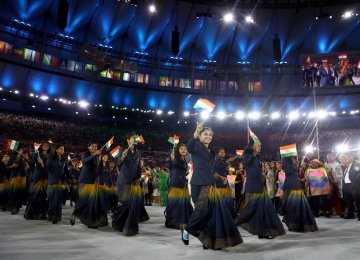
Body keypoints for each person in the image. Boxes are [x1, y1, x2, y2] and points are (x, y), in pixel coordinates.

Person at [185, 122, 242, 250]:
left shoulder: (211, 152)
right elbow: (188, 146)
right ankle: (187, 229)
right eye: (205, 134)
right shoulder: (196, 147)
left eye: (210, 135)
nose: (208, 136)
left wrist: (220, 177)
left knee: (213, 214)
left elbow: (210, 170)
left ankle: (209, 241)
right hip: (199, 183)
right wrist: (196, 131)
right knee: (202, 212)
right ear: (200, 136)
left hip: (211, 184)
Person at [234, 140, 286, 239]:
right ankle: (231, 226)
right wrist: (253, 154)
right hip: (253, 188)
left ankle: (263, 232)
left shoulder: (257, 157)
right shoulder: (247, 156)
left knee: (263, 211)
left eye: (260, 145)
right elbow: (247, 163)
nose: (260, 146)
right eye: (258, 144)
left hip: (260, 188)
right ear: (252, 146)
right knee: (248, 212)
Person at [112, 133, 149, 236]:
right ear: (128, 140)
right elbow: (118, 164)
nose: (135, 139)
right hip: (124, 181)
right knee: (125, 204)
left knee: (133, 205)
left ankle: (130, 227)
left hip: (135, 182)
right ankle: (120, 223)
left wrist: (138, 178)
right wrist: (122, 157)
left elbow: (138, 167)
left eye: (136, 138)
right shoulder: (122, 150)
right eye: (134, 138)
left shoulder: (138, 152)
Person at [70, 142, 108, 228]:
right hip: (85, 181)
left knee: (92, 203)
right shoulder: (85, 154)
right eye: (92, 146)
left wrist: (102, 163)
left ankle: (91, 222)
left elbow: (98, 171)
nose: (94, 147)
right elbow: (84, 161)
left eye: (95, 146)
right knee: (83, 201)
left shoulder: (97, 158)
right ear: (88, 147)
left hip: (93, 182)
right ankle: (74, 214)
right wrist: (94, 154)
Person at [281, 156, 318, 232]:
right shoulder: (285, 160)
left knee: (298, 206)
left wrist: (297, 165)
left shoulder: (293, 161)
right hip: (290, 186)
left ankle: (297, 224)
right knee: (292, 206)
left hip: (296, 185)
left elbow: (294, 172)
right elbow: (288, 171)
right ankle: (293, 225)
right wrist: (296, 165)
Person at [164, 143, 193, 230]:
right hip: (176, 185)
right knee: (175, 204)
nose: (183, 150)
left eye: (185, 149)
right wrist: (172, 159)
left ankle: (183, 221)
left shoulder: (184, 160)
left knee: (184, 204)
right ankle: (173, 222)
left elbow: (183, 170)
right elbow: (171, 167)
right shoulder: (175, 159)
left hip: (183, 184)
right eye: (181, 149)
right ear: (178, 150)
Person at [24, 142, 50, 220]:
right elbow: (32, 165)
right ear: (41, 146)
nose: (45, 146)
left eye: (47, 145)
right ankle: (29, 213)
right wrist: (27, 159)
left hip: (46, 178)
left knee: (44, 197)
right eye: (44, 145)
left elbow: (50, 168)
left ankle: (43, 214)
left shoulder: (51, 156)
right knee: (34, 196)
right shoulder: (37, 154)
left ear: (49, 147)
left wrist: (42, 164)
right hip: (37, 177)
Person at [46, 144, 66, 224]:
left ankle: (56, 217)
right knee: (53, 200)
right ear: (57, 150)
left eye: (63, 149)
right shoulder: (51, 157)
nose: (62, 150)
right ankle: (52, 216)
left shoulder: (63, 159)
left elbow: (65, 170)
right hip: (52, 181)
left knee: (58, 201)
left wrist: (71, 177)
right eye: (61, 149)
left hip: (60, 182)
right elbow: (47, 167)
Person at [213, 148, 234, 215]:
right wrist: (227, 161)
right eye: (221, 152)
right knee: (219, 201)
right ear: (218, 153)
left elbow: (227, 173)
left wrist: (230, 183)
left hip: (225, 183)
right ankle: (219, 214)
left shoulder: (223, 162)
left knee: (226, 200)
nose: (222, 153)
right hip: (219, 183)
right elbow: (219, 168)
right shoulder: (217, 161)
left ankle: (224, 213)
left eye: (223, 152)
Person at [8, 148, 27, 215]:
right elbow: (8, 166)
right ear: (16, 150)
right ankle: (13, 207)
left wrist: (26, 162)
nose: (21, 151)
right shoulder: (12, 157)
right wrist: (12, 165)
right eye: (19, 150)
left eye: (22, 150)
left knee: (19, 193)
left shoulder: (23, 157)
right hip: (14, 177)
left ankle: (17, 207)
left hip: (22, 177)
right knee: (13, 193)